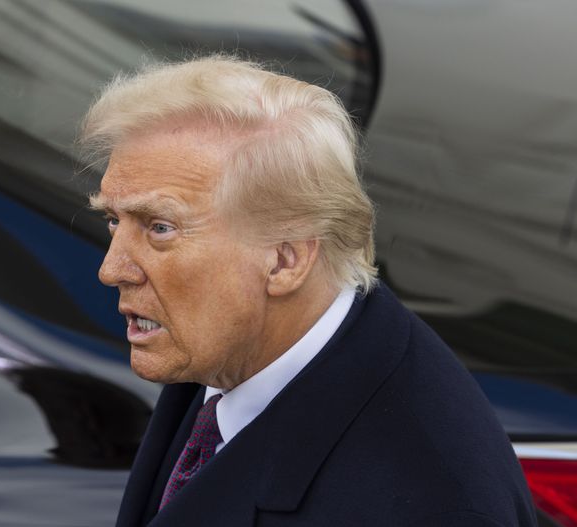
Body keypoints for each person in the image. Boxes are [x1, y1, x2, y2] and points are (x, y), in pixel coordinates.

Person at [80, 56, 536, 527]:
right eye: (113, 219)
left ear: (286, 260)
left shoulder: (433, 506)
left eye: (159, 228)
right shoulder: (223, 346)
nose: (111, 270)